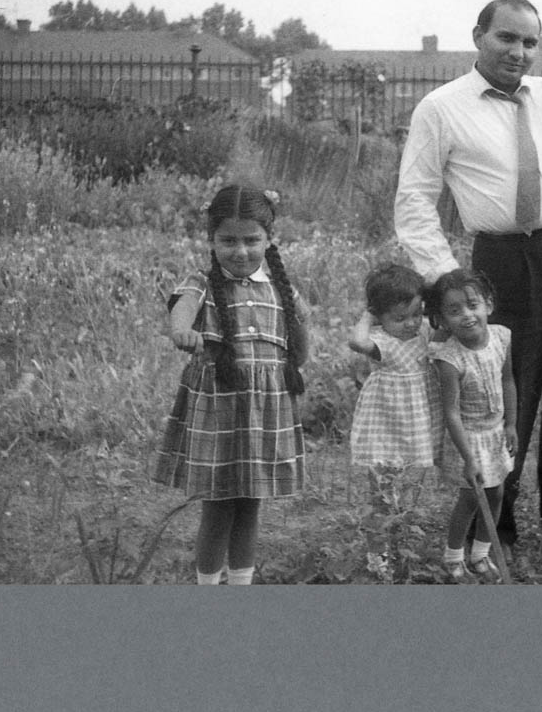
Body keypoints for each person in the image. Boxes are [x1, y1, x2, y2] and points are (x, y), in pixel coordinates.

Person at [394, 0, 542, 566]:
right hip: (502, 267)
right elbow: (415, 201)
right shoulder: (440, 108)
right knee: (498, 403)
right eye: (506, 38)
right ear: (478, 36)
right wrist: (448, 282)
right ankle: (500, 536)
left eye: (529, 41)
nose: (519, 51)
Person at [153, 184, 310, 585]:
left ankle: (240, 587)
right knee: (218, 505)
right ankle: (208, 587)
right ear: (211, 239)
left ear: (269, 239)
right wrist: (182, 332)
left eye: (251, 240)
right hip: (219, 409)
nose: (240, 251)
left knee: (251, 503)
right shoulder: (201, 284)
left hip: (265, 410)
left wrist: (299, 345)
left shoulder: (281, 289)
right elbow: (181, 312)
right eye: (228, 241)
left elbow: (300, 346)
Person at [426, 267, 517, 582]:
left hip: (495, 432)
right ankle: (453, 559)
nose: (466, 315)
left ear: (488, 305)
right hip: (469, 439)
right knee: (469, 499)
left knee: (496, 493)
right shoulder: (450, 359)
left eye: (472, 305)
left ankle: (480, 555)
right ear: (442, 319)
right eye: (454, 310)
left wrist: (511, 425)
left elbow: (508, 381)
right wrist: (468, 457)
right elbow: (451, 412)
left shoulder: (502, 336)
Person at [347, 263, 442, 477]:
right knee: (383, 460)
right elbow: (357, 342)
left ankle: (407, 507)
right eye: (400, 318)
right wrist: (369, 316)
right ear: (380, 316)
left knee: (417, 463)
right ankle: (382, 505)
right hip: (388, 413)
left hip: (418, 413)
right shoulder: (383, 341)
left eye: (416, 314)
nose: (410, 323)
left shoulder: (425, 331)